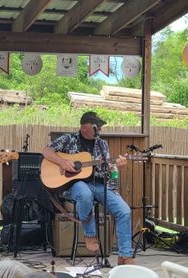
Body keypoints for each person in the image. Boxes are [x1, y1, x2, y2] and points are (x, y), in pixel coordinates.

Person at [42, 111, 134, 265]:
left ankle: (125, 256)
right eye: (96, 127)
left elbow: (106, 171)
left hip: (99, 185)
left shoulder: (102, 144)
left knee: (124, 211)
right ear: (84, 127)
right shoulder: (68, 139)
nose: (100, 130)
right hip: (75, 185)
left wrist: (115, 166)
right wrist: (63, 162)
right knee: (85, 194)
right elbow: (46, 151)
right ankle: (90, 234)